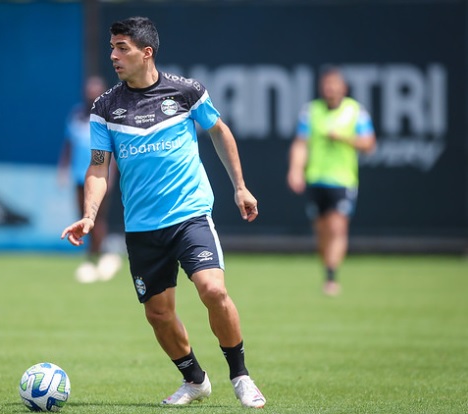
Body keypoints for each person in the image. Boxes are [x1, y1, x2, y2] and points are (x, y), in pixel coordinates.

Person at [61, 16, 266, 408]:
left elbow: (219, 131)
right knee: (158, 314)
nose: (113, 56)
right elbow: (99, 167)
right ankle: (195, 380)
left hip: (190, 215)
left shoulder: (186, 92)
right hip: (142, 227)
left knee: (213, 289)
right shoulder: (105, 107)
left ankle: (240, 375)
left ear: (146, 52)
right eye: (111, 48)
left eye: (122, 48)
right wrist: (90, 214)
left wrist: (240, 186)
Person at [287, 67, 376, 296]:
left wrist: (344, 138)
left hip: (342, 179)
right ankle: (327, 268)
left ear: (343, 88)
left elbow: (369, 144)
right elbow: (301, 143)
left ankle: (331, 276)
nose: (330, 89)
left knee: (337, 227)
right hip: (316, 178)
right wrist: (296, 170)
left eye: (334, 85)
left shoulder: (355, 112)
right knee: (322, 232)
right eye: (327, 85)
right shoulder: (311, 111)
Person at [58, 75, 121, 283]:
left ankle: (96, 255)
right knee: (83, 216)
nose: (91, 96)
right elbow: (68, 144)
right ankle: (94, 254)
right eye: (89, 92)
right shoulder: (76, 114)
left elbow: (114, 150)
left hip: (99, 177)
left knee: (97, 218)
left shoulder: (109, 116)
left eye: (95, 92)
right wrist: (63, 169)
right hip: (79, 175)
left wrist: (110, 175)